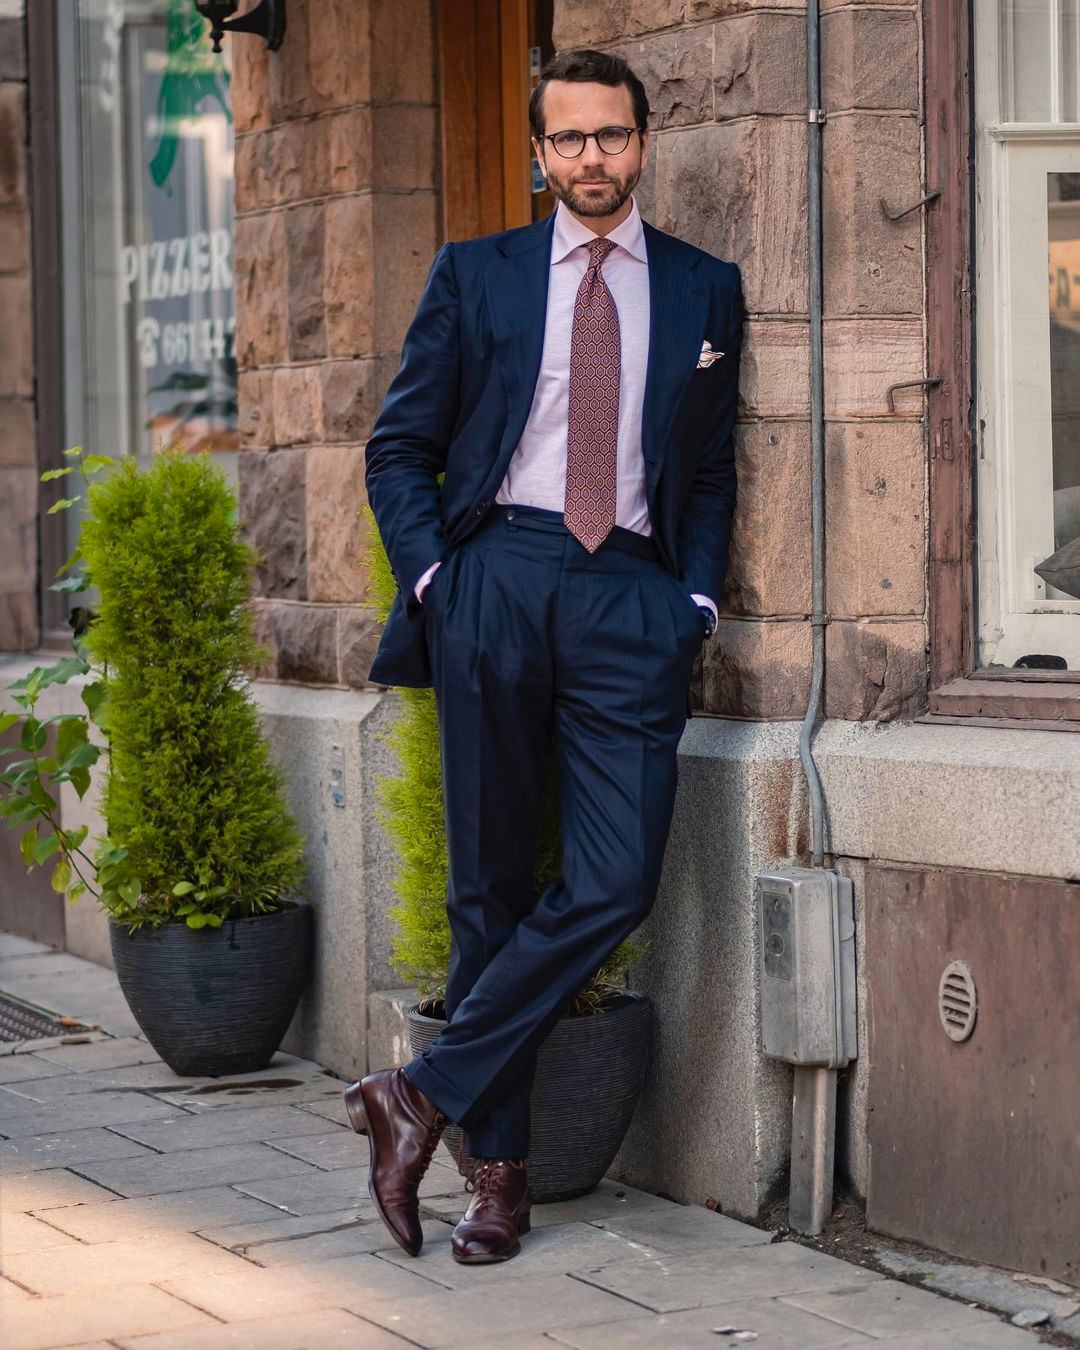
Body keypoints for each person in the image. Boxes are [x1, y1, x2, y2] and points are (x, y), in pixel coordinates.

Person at [345, 47, 744, 1265]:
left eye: (610, 137)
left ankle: (419, 1093)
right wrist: (438, 584)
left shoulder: (704, 288)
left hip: (631, 590)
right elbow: (398, 447)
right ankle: (497, 1184)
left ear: (641, 142)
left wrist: (695, 600)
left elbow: (715, 464)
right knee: (489, 891)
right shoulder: (477, 276)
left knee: (617, 878)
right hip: (499, 581)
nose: (590, 159)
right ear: (537, 156)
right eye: (567, 140)